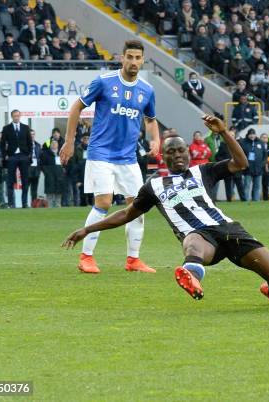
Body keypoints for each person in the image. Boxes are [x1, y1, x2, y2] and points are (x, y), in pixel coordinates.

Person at [63, 115, 269, 304]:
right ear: (163, 156)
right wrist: (87, 230)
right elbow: (126, 213)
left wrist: (223, 132)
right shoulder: (154, 186)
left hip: (228, 228)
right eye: (171, 152)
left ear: (188, 152)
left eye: (181, 150)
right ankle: (191, 276)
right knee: (193, 243)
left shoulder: (204, 171)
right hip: (199, 236)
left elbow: (241, 163)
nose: (177, 155)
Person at [59, 40, 160, 274]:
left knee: (137, 206)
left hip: (128, 158)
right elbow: (76, 107)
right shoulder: (104, 82)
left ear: (142, 60)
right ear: (122, 58)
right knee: (103, 203)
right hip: (101, 154)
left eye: (138, 58)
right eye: (130, 57)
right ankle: (86, 257)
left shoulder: (147, 89)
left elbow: (151, 119)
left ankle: (133, 260)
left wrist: (155, 139)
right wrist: (69, 141)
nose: (134, 62)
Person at [0, 110, 32, 208]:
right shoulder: (6, 128)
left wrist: (29, 155)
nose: (16, 117)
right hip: (12, 156)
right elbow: (2, 143)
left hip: (23, 156)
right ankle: (10, 203)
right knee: (10, 181)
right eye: (14, 116)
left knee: (25, 181)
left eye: (18, 116)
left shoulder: (25, 128)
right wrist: (5, 155)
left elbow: (30, 142)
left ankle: (24, 203)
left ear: (20, 116)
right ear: (12, 116)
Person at [239, 128, 265, 201]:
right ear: (248, 135)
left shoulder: (260, 142)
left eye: (253, 134)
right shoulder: (243, 143)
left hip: (258, 169)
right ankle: (245, 201)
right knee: (246, 186)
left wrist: (262, 164)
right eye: (250, 134)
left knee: (257, 186)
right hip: (248, 169)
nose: (252, 136)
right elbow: (240, 155)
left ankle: (256, 200)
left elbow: (265, 154)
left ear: (255, 135)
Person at [41, 139, 65, 208]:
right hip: (50, 177)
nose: (54, 145)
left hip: (59, 176)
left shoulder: (61, 153)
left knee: (58, 194)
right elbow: (42, 165)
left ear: (58, 145)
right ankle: (50, 207)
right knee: (50, 194)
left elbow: (66, 164)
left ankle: (58, 206)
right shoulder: (46, 154)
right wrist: (46, 172)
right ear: (50, 145)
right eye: (53, 144)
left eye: (55, 143)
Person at [28, 130, 42, 205]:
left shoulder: (38, 145)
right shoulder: (25, 145)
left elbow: (40, 156)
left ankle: (33, 204)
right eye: (30, 134)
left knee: (34, 189)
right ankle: (24, 204)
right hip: (28, 168)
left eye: (33, 134)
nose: (32, 136)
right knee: (26, 188)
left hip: (36, 169)